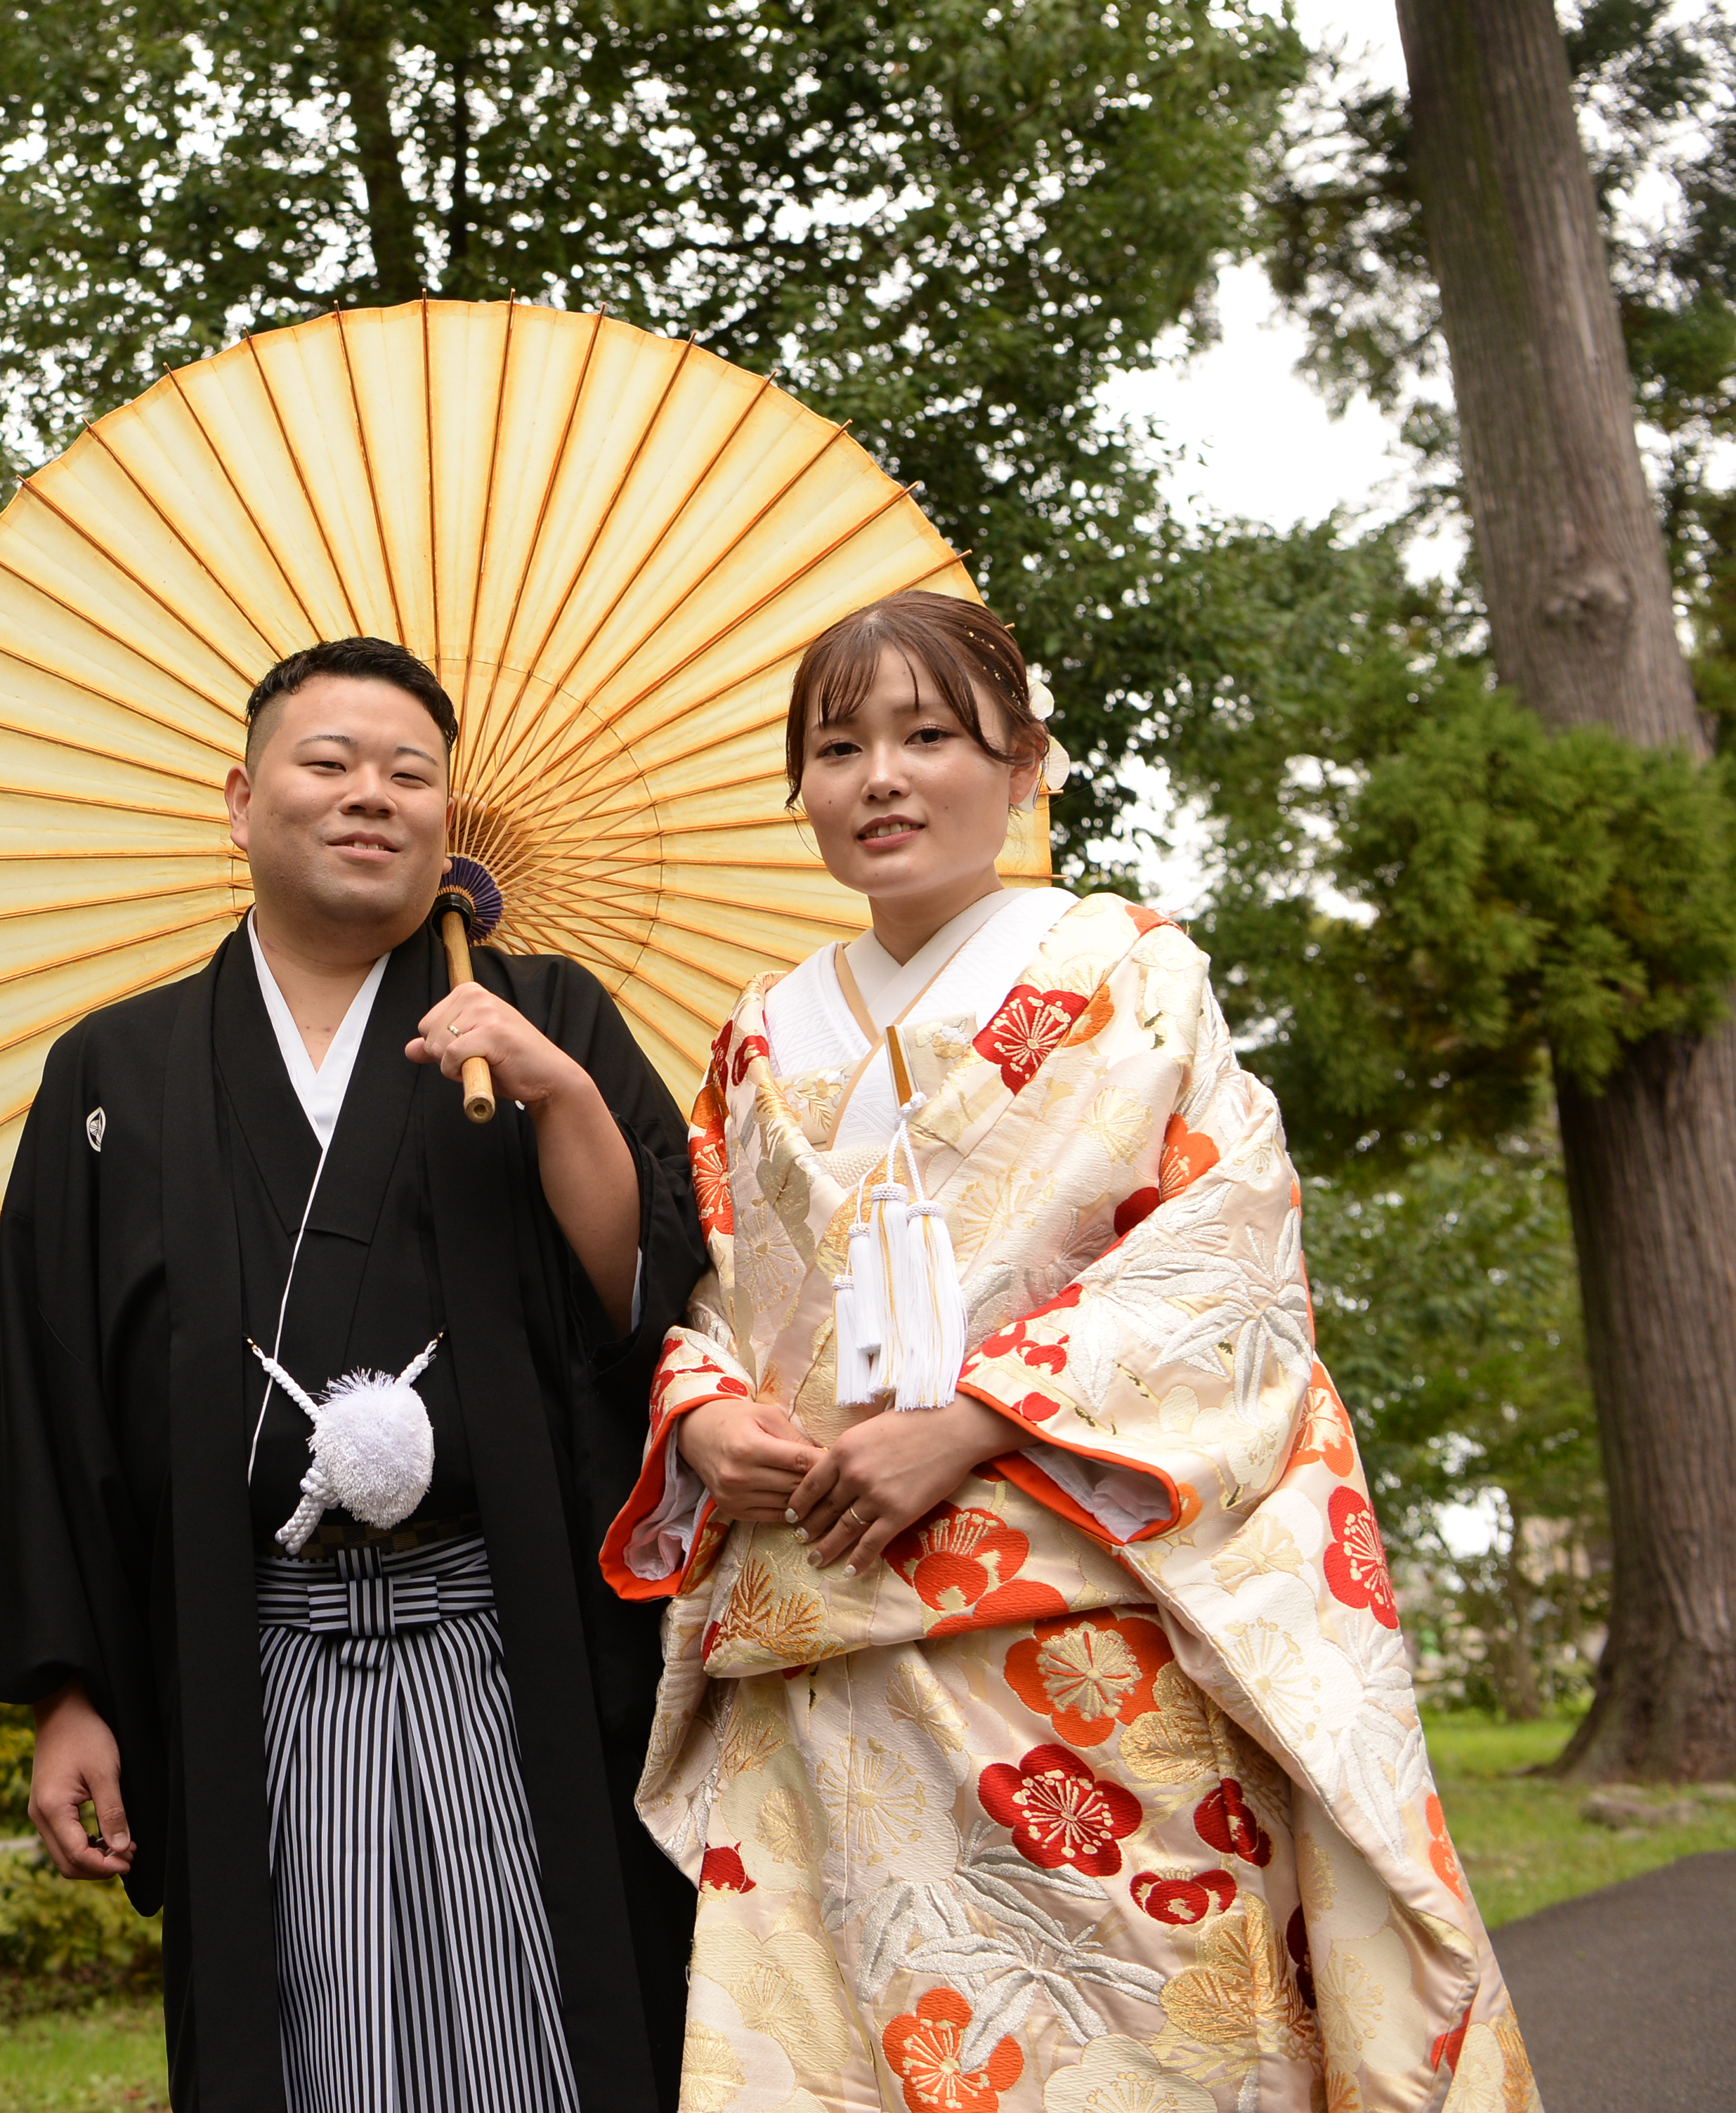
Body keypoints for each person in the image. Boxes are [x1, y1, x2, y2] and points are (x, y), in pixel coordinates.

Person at [602, 590, 1539, 2112]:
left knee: (1143, 2038)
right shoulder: (761, 1034)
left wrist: (977, 1415)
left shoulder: (1129, 972)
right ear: (799, 793)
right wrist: (708, 1421)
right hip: (831, 1637)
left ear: (1026, 761)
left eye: (930, 736)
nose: (880, 778)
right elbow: (719, 1300)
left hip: (1081, 1629)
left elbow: (1224, 1257)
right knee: (842, 2047)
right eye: (836, 748)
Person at [0, 635, 704, 2113]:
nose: (371, 797)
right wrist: (72, 1693)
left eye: (411, 774)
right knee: (308, 2048)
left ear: (448, 824)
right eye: (328, 763)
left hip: (510, 1634)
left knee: (554, 2027)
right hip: (247, 1647)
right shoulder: (115, 1071)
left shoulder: (543, 1016)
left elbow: (654, 1300)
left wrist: (564, 1091)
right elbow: (52, 1383)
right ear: (241, 798)